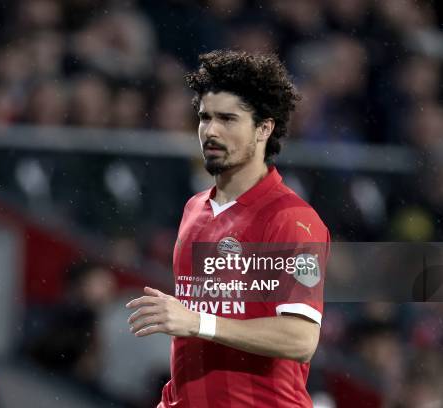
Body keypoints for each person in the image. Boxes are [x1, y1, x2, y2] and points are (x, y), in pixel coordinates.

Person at [126, 50, 330, 407]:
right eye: (205, 117)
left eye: (228, 119)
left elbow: (301, 339)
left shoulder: (290, 219)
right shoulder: (194, 209)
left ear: (264, 129)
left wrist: (198, 321)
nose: (211, 130)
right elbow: (193, 332)